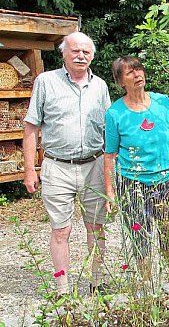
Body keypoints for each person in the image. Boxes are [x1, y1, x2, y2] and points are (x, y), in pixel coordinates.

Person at [23, 32, 111, 296]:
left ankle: (97, 281)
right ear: (63, 53)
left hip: (94, 164)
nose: (80, 56)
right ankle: (62, 288)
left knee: (96, 226)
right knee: (61, 229)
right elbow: (31, 127)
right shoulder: (46, 82)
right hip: (57, 166)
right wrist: (30, 169)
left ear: (92, 55)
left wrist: (113, 172)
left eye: (86, 51)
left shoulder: (101, 86)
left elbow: (111, 129)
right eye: (75, 51)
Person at [103, 56, 169, 280]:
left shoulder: (163, 102)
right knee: (141, 239)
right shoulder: (115, 113)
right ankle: (148, 289)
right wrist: (110, 192)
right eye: (130, 72)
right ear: (120, 82)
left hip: (166, 180)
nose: (137, 75)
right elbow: (109, 155)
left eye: (138, 70)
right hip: (132, 183)